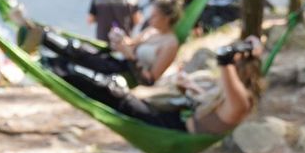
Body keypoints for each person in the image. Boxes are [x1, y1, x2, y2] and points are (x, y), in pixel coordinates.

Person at [67, 37, 264, 137]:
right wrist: (192, 87)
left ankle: (67, 76)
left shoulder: (241, 100)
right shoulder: (234, 98)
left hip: (170, 130)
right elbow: (214, 112)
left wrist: (243, 50)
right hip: (173, 117)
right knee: (116, 93)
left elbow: (224, 57)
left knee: (114, 92)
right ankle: (66, 73)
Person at [106, 0, 182, 85]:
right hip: (122, 69)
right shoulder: (151, 30)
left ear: (166, 18)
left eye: (154, 16)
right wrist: (119, 37)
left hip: (134, 82)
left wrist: (131, 57)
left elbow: (150, 80)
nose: (149, 19)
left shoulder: (170, 44)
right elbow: (131, 43)